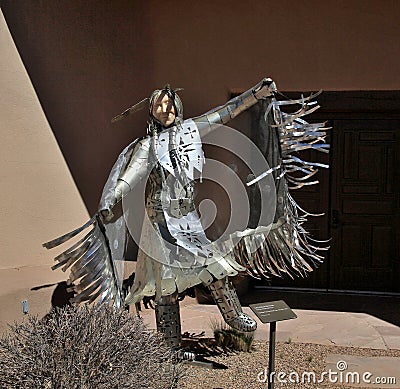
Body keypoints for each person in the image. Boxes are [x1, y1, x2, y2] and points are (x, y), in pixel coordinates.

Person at [44, 78, 328, 350]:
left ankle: (232, 315)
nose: (165, 111)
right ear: (152, 112)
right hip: (159, 222)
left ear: (177, 106)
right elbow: (129, 177)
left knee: (213, 265)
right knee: (164, 286)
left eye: (168, 105)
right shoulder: (147, 146)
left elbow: (225, 113)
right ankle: (170, 346)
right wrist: (110, 200)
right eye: (158, 107)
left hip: (188, 217)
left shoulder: (192, 130)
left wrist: (256, 93)